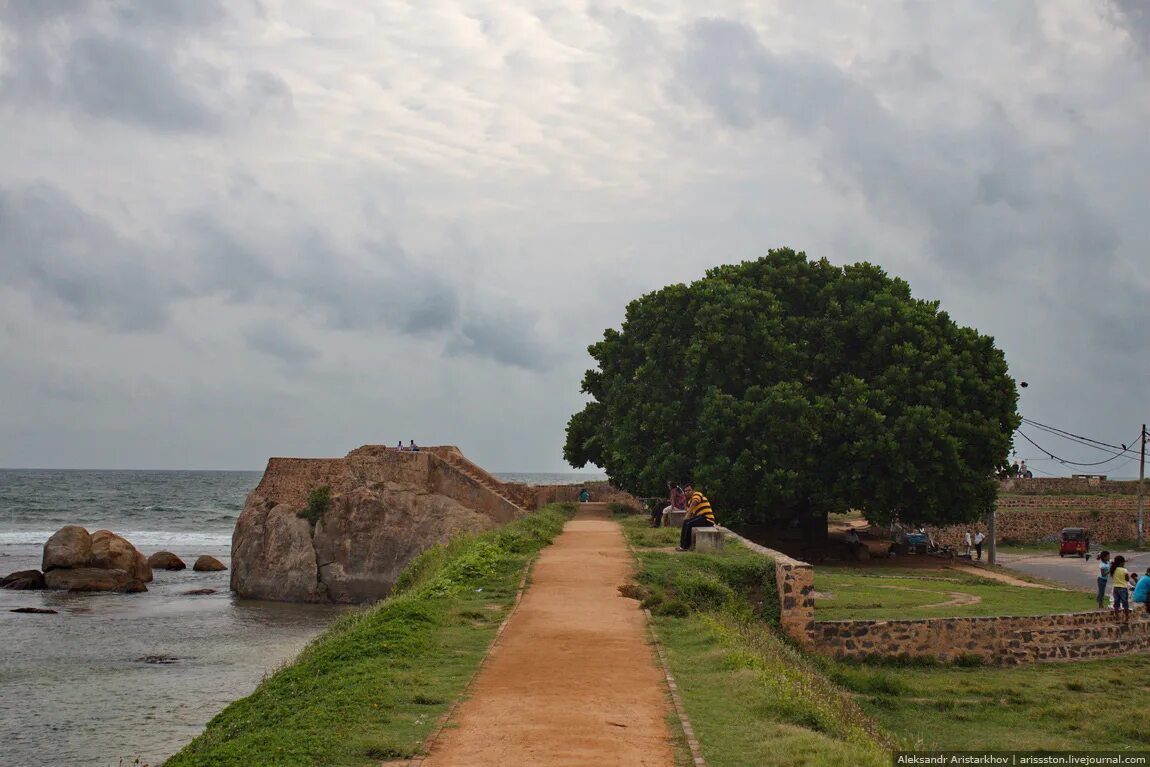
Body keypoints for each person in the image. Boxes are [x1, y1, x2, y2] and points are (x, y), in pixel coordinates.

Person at [677, 482, 716, 552]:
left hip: (707, 519)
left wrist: (687, 515)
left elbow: (694, 503)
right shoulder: (689, 501)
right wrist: (687, 515)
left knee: (688, 523)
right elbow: (690, 511)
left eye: (689, 490)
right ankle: (682, 545)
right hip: (701, 518)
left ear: (693, 490)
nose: (687, 492)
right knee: (686, 523)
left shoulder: (697, 494)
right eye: (685, 491)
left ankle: (685, 547)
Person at [1111, 555, 1131, 622]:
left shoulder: (1113, 569)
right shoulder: (1124, 570)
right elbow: (1127, 579)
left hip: (1115, 588)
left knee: (1116, 604)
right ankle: (1127, 618)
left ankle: (1117, 618)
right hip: (1123, 588)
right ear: (1121, 563)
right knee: (1125, 603)